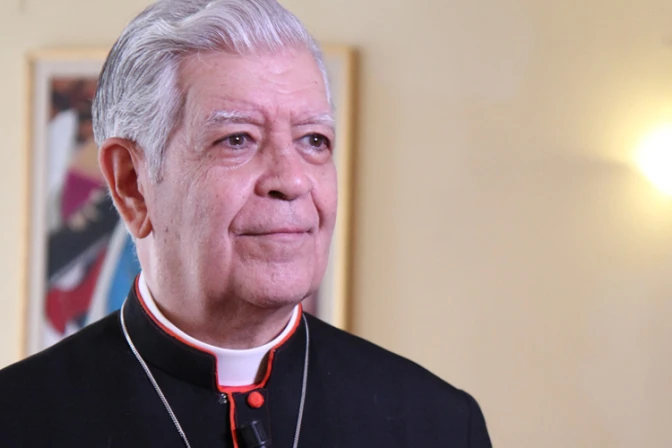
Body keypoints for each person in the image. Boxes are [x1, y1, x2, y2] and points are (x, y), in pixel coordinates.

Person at [0, 0, 492, 446]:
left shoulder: (439, 424)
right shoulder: (16, 420)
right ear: (132, 183)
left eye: (313, 140)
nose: (291, 180)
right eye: (237, 139)